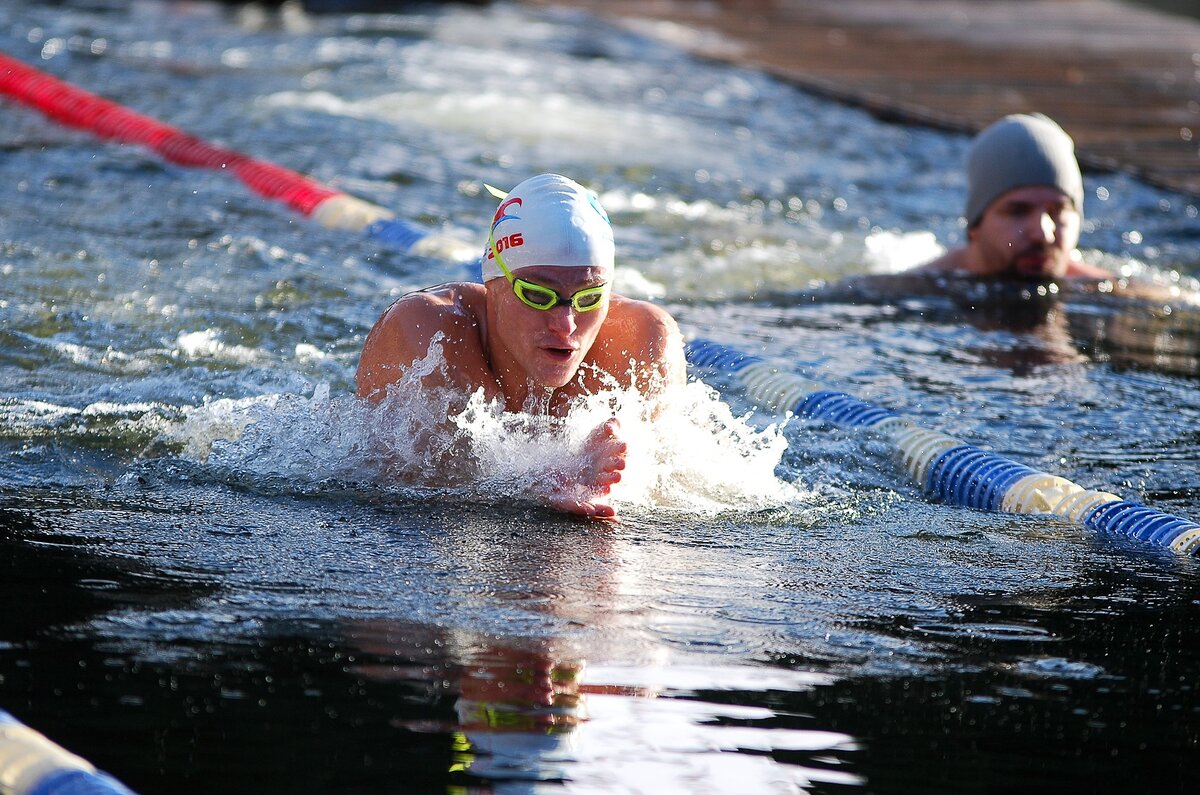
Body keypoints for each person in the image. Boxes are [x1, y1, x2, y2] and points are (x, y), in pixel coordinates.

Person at [356, 173, 687, 519]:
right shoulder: (428, 330)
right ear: (493, 284)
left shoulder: (643, 339)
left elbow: (675, 483)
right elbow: (421, 481)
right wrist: (541, 479)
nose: (566, 324)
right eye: (537, 296)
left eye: (589, 298)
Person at [914, 113, 1112, 281]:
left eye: (1057, 211)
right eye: (1018, 211)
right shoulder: (912, 291)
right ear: (975, 225)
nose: (1043, 234)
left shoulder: (1109, 293)